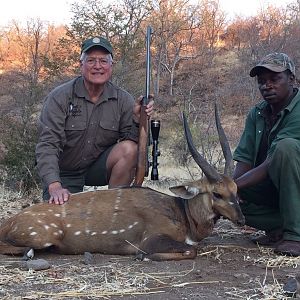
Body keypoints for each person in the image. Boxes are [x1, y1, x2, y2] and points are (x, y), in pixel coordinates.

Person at [36, 36, 154, 205]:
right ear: (81, 64)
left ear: (111, 66)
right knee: (63, 221)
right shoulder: (60, 96)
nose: (97, 66)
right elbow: (47, 144)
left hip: (98, 169)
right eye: (91, 60)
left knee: (130, 149)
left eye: (103, 61)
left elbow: (139, 145)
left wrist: (138, 120)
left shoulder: (123, 99)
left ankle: (113, 208)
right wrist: (54, 185)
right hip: (65, 173)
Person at [233, 52, 300, 256]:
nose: (267, 86)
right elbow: (244, 160)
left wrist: (232, 186)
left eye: (274, 79)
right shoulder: (257, 113)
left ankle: (295, 235)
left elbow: (273, 161)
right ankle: (281, 226)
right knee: (229, 200)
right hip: (276, 189)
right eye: (261, 81)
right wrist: (230, 190)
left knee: (286, 147)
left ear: (292, 79)